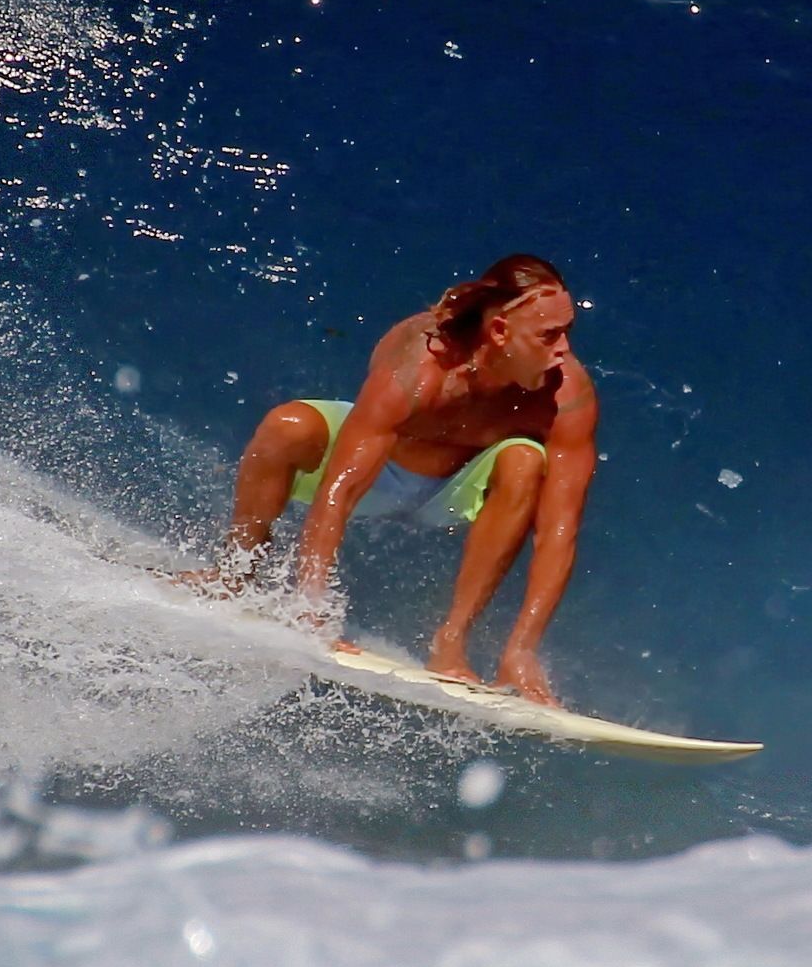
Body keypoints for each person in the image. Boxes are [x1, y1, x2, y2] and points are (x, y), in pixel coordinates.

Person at [202, 254, 598, 703]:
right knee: (286, 426)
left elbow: (558, 531)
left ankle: (450, 643)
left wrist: (523, 647)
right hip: (378, 476)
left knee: (525, 460)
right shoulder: (420, 365)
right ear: (500, 332)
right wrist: (310, 608)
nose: (563, 349)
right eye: (548, 336)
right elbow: (340, 490)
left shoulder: (566, 394)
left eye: (567, 332)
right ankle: (236, 574)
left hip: (454, 489)